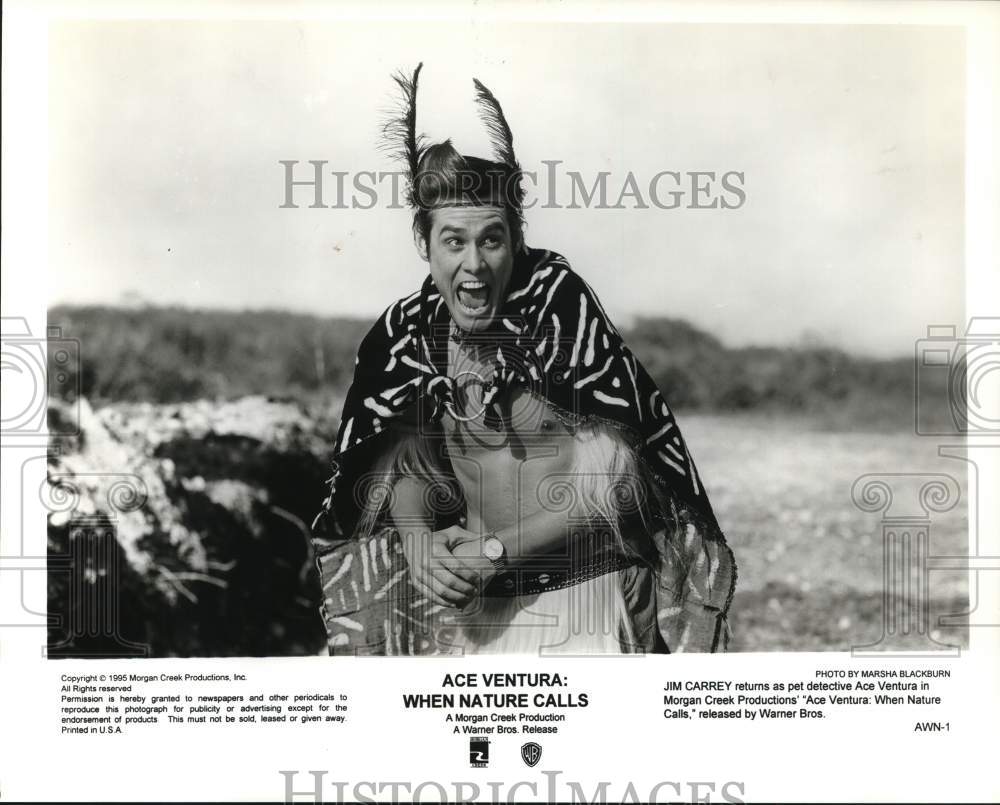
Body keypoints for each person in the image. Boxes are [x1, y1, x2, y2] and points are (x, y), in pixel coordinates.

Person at [311, 64, 736, 655]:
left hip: (583, 598)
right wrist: (416, 539)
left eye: (491, 239)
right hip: (475, 611)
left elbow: (614, 488)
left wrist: (494, 553)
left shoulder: (561, 313)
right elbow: (403, 459)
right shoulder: (407, 333)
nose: (474, 264)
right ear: (425, 245)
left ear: (516, 240)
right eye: (454, 241)